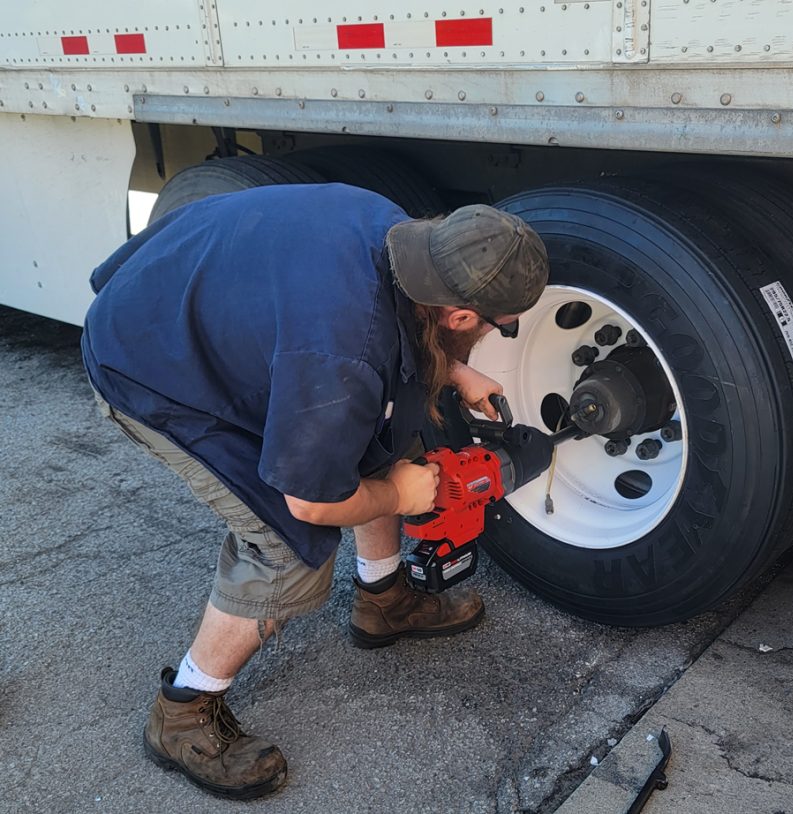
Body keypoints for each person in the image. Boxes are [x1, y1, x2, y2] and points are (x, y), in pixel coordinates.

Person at [81, 181, 549, 800]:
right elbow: (311, 499)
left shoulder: (398, 234)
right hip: (148, 365)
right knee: (287, 541)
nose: (498, 332)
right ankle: (184, 710)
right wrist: (402, 498)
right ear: (460, 315)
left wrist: (453, 369)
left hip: (190, 303)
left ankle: (381, 600)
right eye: (500, 327)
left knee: (397, 424)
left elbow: (392, 348)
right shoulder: (345, 352)